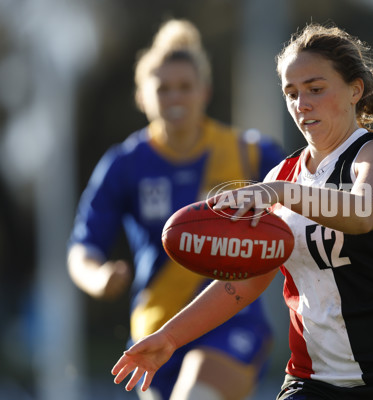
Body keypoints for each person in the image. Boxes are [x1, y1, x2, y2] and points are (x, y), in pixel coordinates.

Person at [111, 22, 373, 400]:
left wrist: (280, 192)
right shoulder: (283, 174)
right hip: (314, 381)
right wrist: (170, 337)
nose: (301, 103)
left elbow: (364, 213)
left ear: (355, 90)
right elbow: (246, 281)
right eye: (291, 93)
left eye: (315, 89)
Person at [68, 19, 285, 400]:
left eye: (185, 87)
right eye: (163, 88)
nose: (175, 98)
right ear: (142, 96)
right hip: (155, 323)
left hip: (231, 319)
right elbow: (82, 247)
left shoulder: (249, 153)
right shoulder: (125, 163)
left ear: (205, 91)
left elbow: (306, 202)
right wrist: (98, 277)